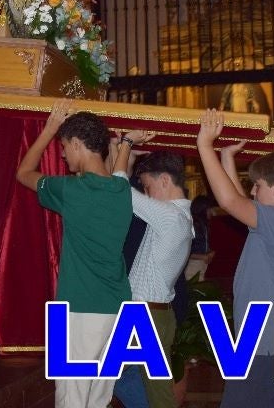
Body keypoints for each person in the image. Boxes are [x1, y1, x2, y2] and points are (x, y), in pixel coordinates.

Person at [16, 100, 131, 408]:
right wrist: (124, 146)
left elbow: (24, 172)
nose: (63, 154)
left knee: (72, 398)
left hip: (80, 307)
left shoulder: (72, 190)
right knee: (97, 398)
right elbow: (117, 172)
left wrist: (48, 129)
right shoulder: (122, 192)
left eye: (65, 146)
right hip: (118, 308)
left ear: (79, 144)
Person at [194, 109, 274, 408]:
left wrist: (205, 146)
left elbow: (231, 201)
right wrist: (227, 156)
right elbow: (239, 202)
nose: (253, 191)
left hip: (269, 340)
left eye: (257, 185)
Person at [109, 141, 192, 408]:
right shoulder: (178, 216)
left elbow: (119, 188)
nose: (147, 192)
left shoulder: (170, 216)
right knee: (127, 379)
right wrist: (128, 158)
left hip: (147, 315)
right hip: (154, 313)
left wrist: (125, 146)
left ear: (165, 180)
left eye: (148, 186)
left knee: (153, 393)